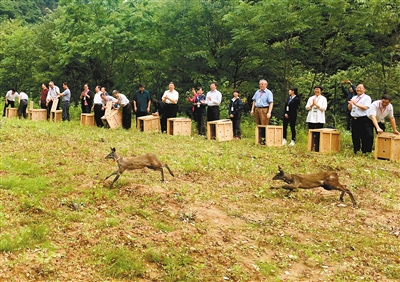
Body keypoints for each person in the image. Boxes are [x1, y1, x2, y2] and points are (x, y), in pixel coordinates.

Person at [348, 84, 373, 154]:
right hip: (354, 118)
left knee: (365, 135)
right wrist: (350, 104)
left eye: (360, 88)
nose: (358, 89)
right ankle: (356, 150)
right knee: (355, 135)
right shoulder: (354, 97)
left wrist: (355, 104)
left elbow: (365, 107)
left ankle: (366, 151)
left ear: (364, 89)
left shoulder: (367, 98)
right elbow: (349, 108)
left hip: (363, 119)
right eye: (357, 88)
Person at [251, 79, 274, 144]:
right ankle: (259, 138)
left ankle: (265, 139)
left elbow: (271, 103)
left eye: (262, 84)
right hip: (257, 109)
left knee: (264, 124)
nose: (260, 85)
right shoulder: (257, 92)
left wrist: (269, 112)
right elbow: (254, 101)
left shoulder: (268, 92)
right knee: (258, 124)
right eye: (260, 84)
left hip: (264, 109)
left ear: (266, 85)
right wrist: (252, 109)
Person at [305, 85, 327, 151]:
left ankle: (318, 147)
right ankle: (311, 147)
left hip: (319, 118)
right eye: (315, 89)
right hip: (311, 118)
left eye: (318, 89)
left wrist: (316, 105)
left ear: (321, 91)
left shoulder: (323, 98)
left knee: (318, 134)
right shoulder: (311, 98)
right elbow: (307, 107)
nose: (316, 91)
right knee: (311, 133)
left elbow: (324, 108)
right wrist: (312, 105)